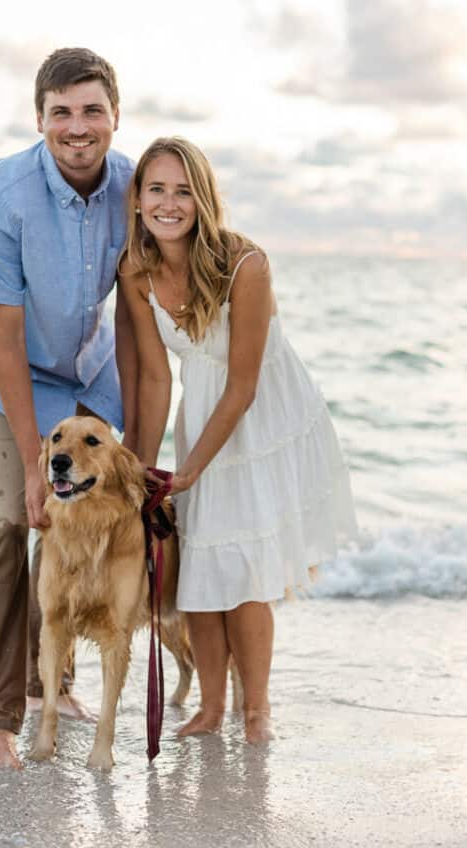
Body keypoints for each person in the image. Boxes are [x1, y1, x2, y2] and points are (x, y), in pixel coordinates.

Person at [119, 136, 357, 744]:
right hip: (201, 409)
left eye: (182, 191)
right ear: (139, 198)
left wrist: (191, 471)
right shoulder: (136, 269)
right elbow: (153, 375)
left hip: (264, 417)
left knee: (244, 565)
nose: (168, 204)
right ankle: (211, 707)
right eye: (156, 190)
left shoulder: (246, 264)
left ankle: (257, 711)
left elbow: (245, 384)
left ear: (202, 198)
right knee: (198, 560)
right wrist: (139, 471)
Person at [0, 47, 136, 768]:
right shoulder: (3, 194)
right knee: (12, 521)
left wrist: (137, 449)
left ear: (114, 117)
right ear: (40, 119)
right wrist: (38, 463)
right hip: (10, 371)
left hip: (87, 371)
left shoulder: (131, 186)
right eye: (61, 112)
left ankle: (53, 686)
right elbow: (4, 338)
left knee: (81, 522)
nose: (76, 126)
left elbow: (135, 320)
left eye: (91, 110)